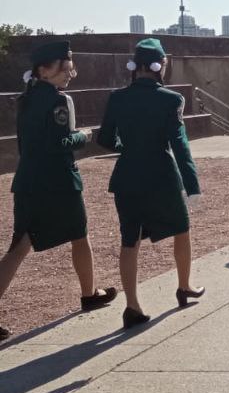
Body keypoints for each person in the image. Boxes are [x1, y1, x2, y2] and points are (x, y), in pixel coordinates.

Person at [1, 41, 115, 340]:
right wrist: (83, 136)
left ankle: (90, 292)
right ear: (44, 70)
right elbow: (60, 143)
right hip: (59, 182)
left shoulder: (26, 99)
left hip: (29, 181)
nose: (70, 74)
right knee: (79, 234)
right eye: (64, 69)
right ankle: (89, 293)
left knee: (19, 246)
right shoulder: (58, 101)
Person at [97, 38, 203, 328]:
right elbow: (179, 145)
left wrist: (128, 146)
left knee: (129, 240)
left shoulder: (117, 97)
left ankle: (132, 306)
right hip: (161, 177)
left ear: (135, 66)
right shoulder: (171, 99)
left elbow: (104, 138)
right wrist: (192, 186)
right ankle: (184, 286)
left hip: (127, 177)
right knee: (182, 229)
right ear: (160, 66)